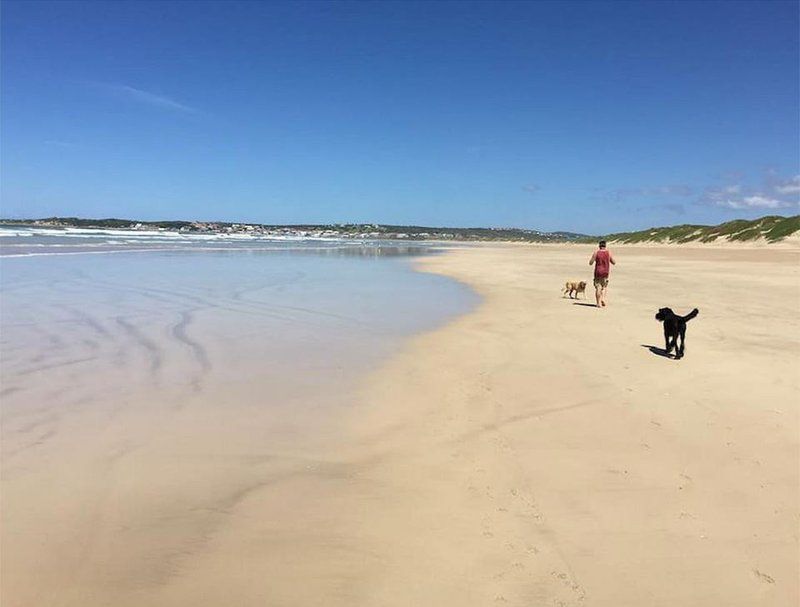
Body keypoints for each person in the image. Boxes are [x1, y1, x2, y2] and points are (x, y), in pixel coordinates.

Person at [589, 240, 615, 308]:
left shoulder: (596, 253)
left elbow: (590, 263)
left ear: (599, 246)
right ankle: (603, 299)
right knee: (604, 287)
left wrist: (594, 260)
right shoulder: (608, 253)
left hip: (598, 272)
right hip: (605, 272)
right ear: (605, 246)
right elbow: (613, 262)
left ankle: (598, 303)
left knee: (598, 287)